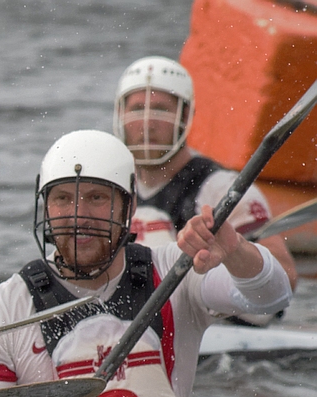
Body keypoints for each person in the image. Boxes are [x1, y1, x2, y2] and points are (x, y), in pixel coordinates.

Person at [0, 130, 292, 397]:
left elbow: (271, 297)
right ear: (45, 209)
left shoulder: (176, 272)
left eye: (97, 198)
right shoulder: (2, 311)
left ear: (129, 207)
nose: (79, 216)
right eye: (63, 199)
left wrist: (236, 250)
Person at [114, 56, 298, 306]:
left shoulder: (221, 187)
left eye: (161, 110)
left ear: (186, 115)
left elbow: (286, 278)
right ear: (120, 114)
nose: (148, 123)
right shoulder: (111, 186)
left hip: (218, 320)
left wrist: (232, 254)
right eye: (137, 109)